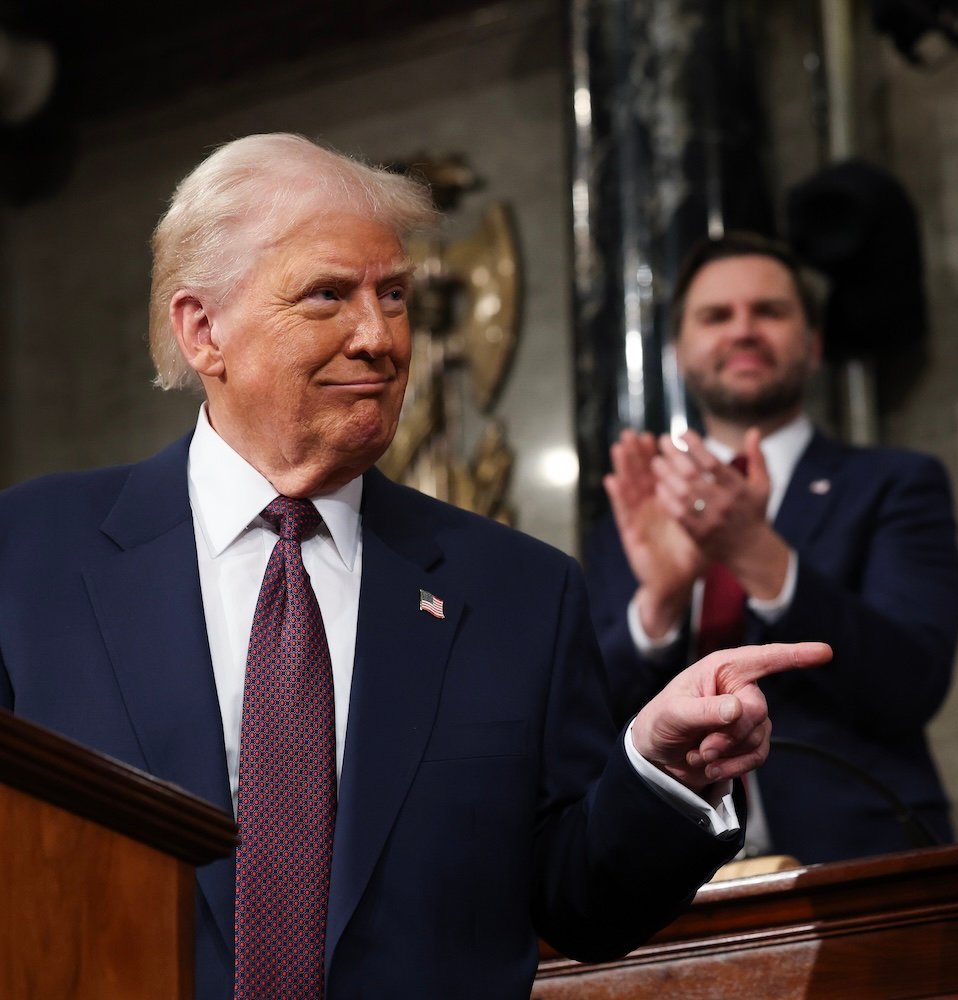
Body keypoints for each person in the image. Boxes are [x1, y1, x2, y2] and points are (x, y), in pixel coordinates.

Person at [0, 134, 831, 999]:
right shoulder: (27, 558)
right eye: (327, 295)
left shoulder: (517, 592)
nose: (379, 337)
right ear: (203, 329)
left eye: (394, 296)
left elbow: (578, 902)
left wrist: (660, 775)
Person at [584, 231, 958, 865]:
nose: (743, 330)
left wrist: (758, 554)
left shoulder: (895, 484)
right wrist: (660, 603)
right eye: (716, 316)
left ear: (813, 346)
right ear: (679, 354)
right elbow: (588, 722)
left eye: (769, 311)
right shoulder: (637, 511)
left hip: (860, 866)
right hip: (664, 884)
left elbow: (912, 684)